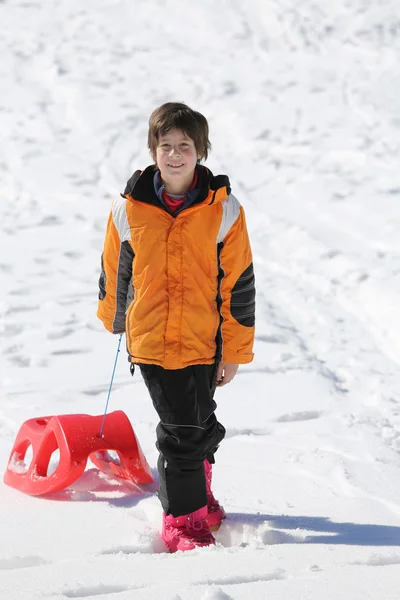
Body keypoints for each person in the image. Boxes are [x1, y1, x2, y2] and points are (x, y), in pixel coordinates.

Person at [97, 102, 255, 552]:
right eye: (165, 146)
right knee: (182, 431)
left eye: (184, 146)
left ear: (200, 151)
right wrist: (114, 319)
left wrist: (235, 352)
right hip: (151, 341)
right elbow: (116, 270)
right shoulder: (128, 209)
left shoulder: (224, 211)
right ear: (153, 150)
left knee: (201, 421)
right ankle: (183, 522)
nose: (174, 155)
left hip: (205, 340)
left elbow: (239, 284)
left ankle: (198, 498)